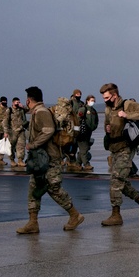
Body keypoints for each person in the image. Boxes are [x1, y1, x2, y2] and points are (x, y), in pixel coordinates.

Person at [15, 86, 84, 234]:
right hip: (40, 159)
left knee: (54, 188)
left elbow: (48, 130)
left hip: (49, 158)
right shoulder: (37, 112)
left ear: (28, 100)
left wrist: (32, 144)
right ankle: (33, 223)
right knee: (34, 189)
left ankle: (75, 215)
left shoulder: (41, 112)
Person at [100, 82, 139, 226]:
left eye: (107, 97)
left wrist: (127, 115)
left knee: (116, 181)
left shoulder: (127, 104)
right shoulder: (108, 109)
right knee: (121, 183)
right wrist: (107, 129)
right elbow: (108, 125)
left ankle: (116, 215)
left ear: (115, 95)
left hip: (125, 148)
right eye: (103, 98)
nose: (105, 100)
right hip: (114, 148)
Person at [74, 93, 97, 171]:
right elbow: (78, 119)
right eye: (91, 100)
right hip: (82, 132)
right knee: (84, 149)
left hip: (89, 132)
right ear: (87, 101)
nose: (92, 102)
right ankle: (86, 164)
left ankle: (77, 164)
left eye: (93, 100)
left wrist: (94, 127)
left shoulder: (93, 111)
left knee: (84, 148)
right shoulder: (83, 109)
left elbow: (96, 120)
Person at [7, 97, 29, 168]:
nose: (18, 103)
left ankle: (20, 160)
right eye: (17, 102)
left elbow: (29, 109)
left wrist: (23, 106)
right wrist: (6, 131)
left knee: (21, 146)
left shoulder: (21, 110)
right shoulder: (9, 110)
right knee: (11, 147)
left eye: (19, 102)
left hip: (21, 130)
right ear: (13, 103)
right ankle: (12, 160)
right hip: (12, 132)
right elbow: (5, 121)